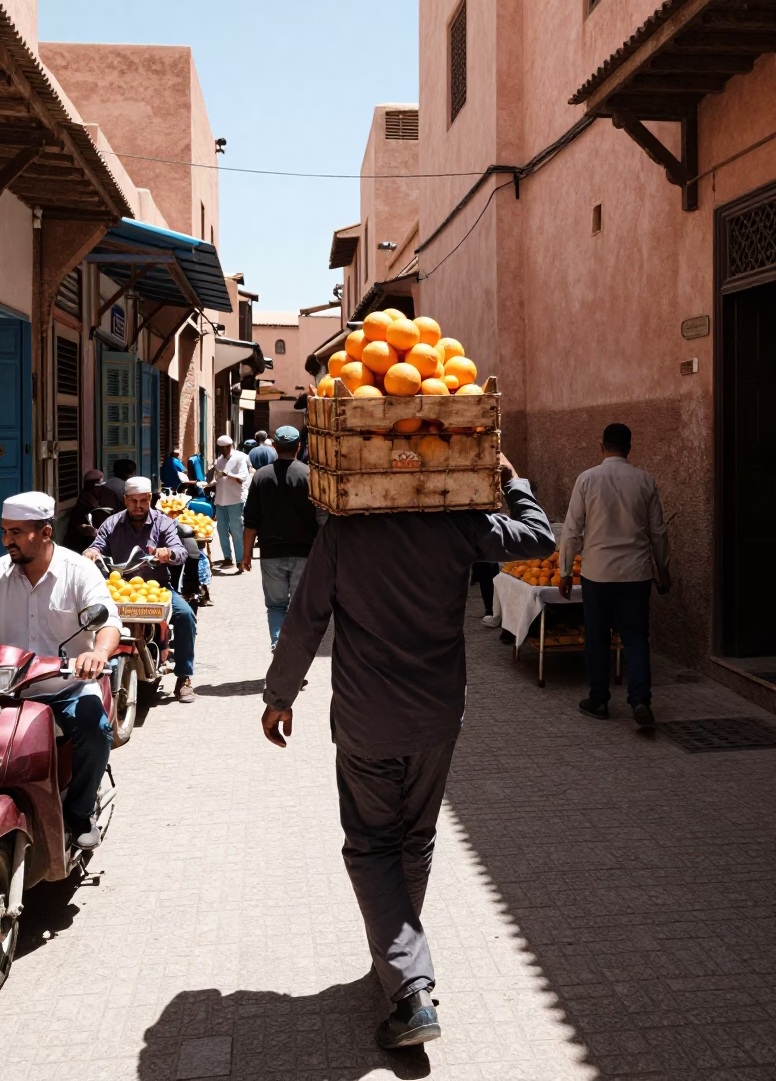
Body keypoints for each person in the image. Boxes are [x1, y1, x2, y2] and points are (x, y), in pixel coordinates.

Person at [261, 455, 553, 1049]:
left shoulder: (344, 532)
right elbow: (538, 537)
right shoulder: (456, 523)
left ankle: (410, 988)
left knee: (371, 847)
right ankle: (398, 956)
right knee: (414, 839)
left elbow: (305, 618)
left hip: (369, 720)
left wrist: (279, 695)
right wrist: (513, 480)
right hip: (437, 717)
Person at [0, 492, 122, 849]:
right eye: (4, 531)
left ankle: (79, 810)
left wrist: (98, 653)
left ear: (44, 532)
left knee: (95, 729)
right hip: (4, 690)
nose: (6, 540)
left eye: (17, 532)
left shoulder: (78, 571)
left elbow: (108, 621)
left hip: (67, 685)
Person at [559, 423, 671, 727]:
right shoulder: (645, 481)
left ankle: (598, 700)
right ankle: (640, 700)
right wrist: (664, 571)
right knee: (636, 637)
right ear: (629, 448)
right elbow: (658, 533)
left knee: (597, 637)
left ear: (601, 446)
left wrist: (565, 571)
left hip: (598, 573)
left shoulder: (587, 479)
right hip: (636, 573)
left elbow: (571, 531)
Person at [84, 476, 198, 704]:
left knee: (185, 615)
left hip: (156, 589)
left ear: (150, 499)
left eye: (143, 501)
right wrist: (91, 553)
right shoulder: (112, 523)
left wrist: (169, 553)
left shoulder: (163, 522)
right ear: (125, 500)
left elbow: (180, 551)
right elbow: (97, 545)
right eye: (133, 501)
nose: (138, 506)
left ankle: (184, 676)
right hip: (119, 589)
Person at [242, 425, 321, 649]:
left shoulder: (261, 476)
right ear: (298, 447)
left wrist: (246, 555)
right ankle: (295, 654)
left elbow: (250, 521)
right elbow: (322, 518)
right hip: (305, 554)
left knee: (276, 607)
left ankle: (279, 645)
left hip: (271, 554)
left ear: (275, 447)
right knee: (300, 608)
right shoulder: (310, 475)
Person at [210, 434, 250, 571]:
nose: (223, 451)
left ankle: (240, 561)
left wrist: (228, 475)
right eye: (221, 449)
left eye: (225, 448)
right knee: (221, 530)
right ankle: (227, 558)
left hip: (235, 500)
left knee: (237, 530)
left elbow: (243, 477)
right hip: (220, 500)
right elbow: (217, 478)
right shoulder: (219, 460)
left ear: (230, 446)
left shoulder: (240, 458)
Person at [64, 469, 106, 553]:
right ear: (90, 486)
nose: (100, 489)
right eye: (97, 487)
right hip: (79, 544)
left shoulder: (94, 498)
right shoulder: (86, 500)